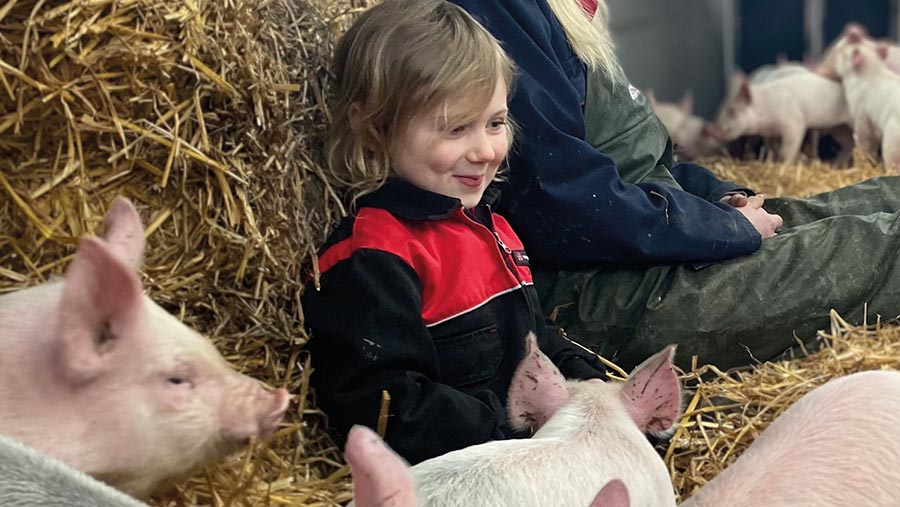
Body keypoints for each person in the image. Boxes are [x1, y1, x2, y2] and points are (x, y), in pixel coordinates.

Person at [448, 0, 900, 372]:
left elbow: (625, 165)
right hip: (597, 289)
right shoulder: (497, 13)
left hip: (646, 233)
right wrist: (723, 227)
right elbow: (560, 202)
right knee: (873, 247)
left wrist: (715, 195)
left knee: (877, 198)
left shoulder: (549, 11)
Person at [301, 0, 607, 466]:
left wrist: (594, 388)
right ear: (372, 129)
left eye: (496, 123)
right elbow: (388, 408)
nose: (485, 150)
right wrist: (522, 430)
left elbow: (534, 342)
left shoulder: (494, 228)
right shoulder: (373, 256)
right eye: (455, 128)